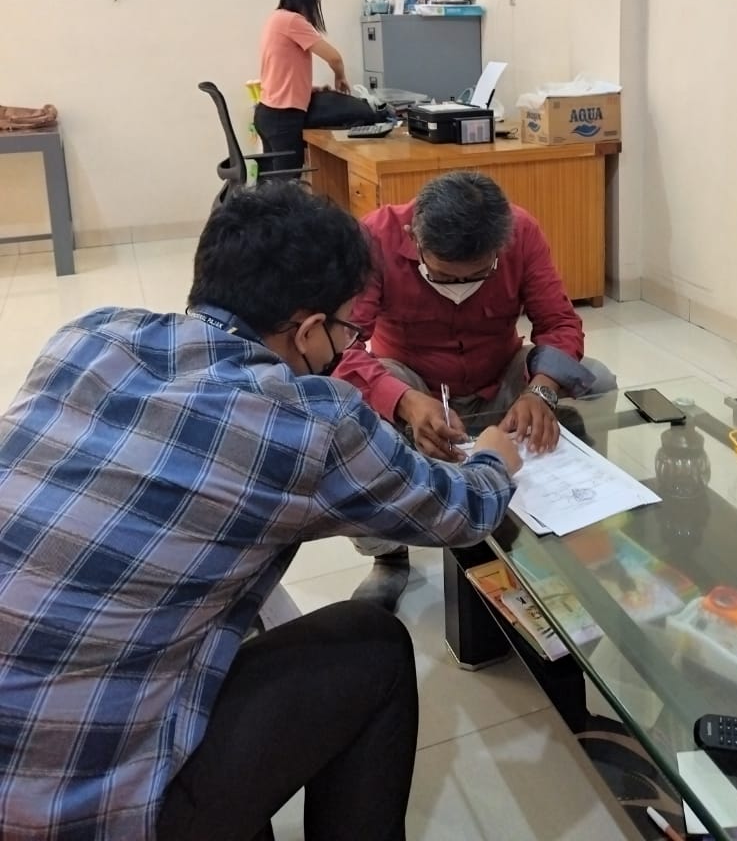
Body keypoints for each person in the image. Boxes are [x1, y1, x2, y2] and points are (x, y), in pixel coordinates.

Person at [0, 184, 519, 841]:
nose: (346, 345)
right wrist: (495, 458)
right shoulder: (307, 420)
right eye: (346, 331)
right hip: (75, 813)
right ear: (307, 331)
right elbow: (461, 514)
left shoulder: (89, 336)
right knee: (373, 643)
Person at [335, 170, 616, 610]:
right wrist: (406, 401)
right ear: (414, 236)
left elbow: (559, 322)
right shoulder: (375, 237)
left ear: (500, 247)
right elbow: (342, 347)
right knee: (349, 420)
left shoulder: (521, 231)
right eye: (444, 276)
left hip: (500, 375)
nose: (460, 287)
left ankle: (574, 505)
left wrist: (540, 391)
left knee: (597, 380)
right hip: (412, 381)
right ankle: (387, 555)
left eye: (480, 274)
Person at [253, 0, 379, 174]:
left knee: (274, 185)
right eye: (316, 1)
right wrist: (340, 77)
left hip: (267, 113)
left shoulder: (275, 18)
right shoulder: (293, 21)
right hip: (283, 118)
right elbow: (334, 58)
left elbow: (281, 70)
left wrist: (306, 89)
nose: (316, 8)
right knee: (287, 186)